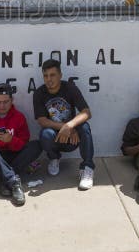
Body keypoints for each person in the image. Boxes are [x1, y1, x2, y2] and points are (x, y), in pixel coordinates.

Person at [33, 59, 95, 190]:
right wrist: (64, 127)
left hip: (73, 137)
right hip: (55, 136)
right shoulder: (39, 93)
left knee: (85, 127)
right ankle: (54, 158)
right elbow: (42, 120)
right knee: (45, 133)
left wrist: (70, 125)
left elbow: (86, 112)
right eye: (46, 76)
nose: (49, 79)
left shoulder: (70, 88)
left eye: (53, 75)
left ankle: (87, 168)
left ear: (60, 75)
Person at [0, 83, 42, 207]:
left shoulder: (19, 117)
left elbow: (24, 143)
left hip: (11, 156)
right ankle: (13, 182)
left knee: (37, 145)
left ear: (12, 100)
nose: (2, 105)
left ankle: (1, 178)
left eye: (6, 102)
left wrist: (11, 140)